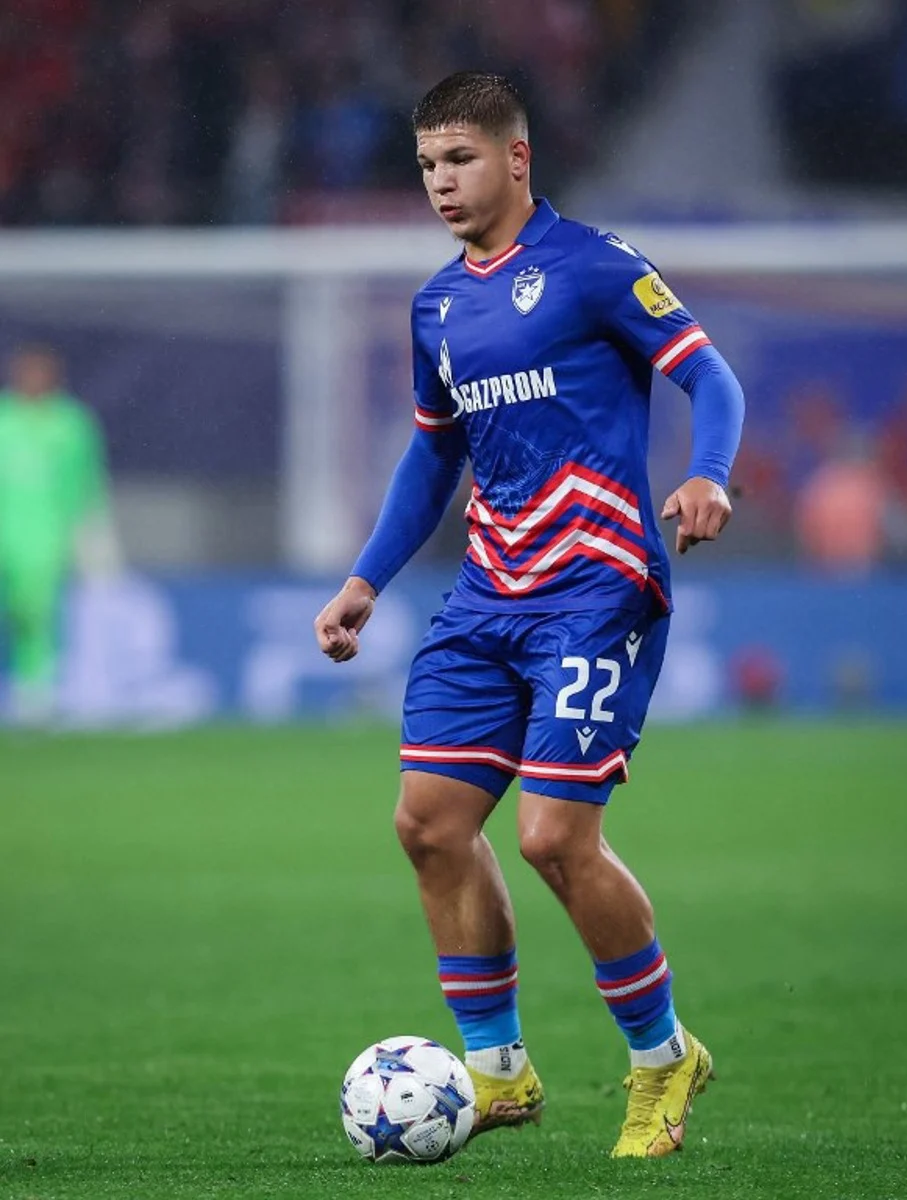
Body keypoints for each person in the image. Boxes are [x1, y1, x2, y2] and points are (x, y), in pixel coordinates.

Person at [315, 72, 744, 1159]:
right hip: (485, 597)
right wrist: (366, 577)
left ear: (515, 159)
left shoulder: (594, 266)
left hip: (596, 592)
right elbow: (431, 452)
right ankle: (498, 1075)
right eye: (424, 166)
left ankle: (661, 1060)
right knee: (428, 824)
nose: (439, 185)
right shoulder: (436, 305)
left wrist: (708, 476)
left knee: (553, 836)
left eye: (458, 161)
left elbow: (713, 381)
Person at [0, 346, 114, 724]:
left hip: (45, 535)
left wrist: (93, 534)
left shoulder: (71, 423)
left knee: (35, 612)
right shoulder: (4, 418)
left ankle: (35, 694)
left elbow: (88, 482)